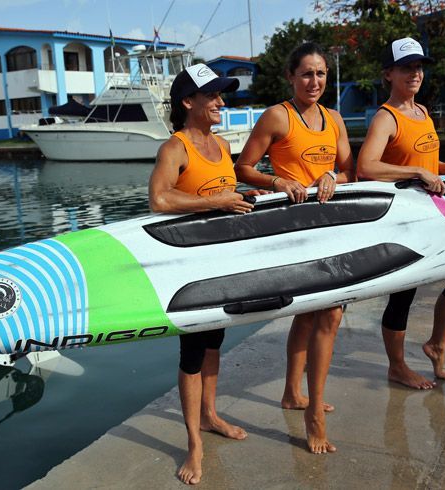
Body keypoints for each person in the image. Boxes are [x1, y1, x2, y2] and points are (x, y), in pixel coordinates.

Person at [235, 42, 354, 454]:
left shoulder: (334, 118)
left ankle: (293, 393)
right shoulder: (277, 117)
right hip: (295, 227)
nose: (315, 81)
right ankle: (314, 412)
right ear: (291, 77)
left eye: (320, 73)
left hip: (333, 224)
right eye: (306, 73)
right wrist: (277, 181)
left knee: (318, 314)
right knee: (325, 314)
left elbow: (347, 167)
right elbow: (244, 168)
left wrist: (332, 177)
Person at [149, 63, 264, 485]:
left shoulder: (219, 145)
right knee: (193, 351)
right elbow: (159, 200)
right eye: (213, 96)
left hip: (223, 259)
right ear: (188, 102)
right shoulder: (175, 148)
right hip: (189, 264)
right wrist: (215, 202)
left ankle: (211, 415)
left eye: (222, 94)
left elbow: (222, 193)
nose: (221, 102)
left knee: (215, 340)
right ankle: (194, 443)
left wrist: (241, 196)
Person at [356, 37, 445, 390]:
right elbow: (367, 166)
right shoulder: (387, 117)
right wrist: (416, 174)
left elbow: (424, 163)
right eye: (406, 67)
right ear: (388, 74)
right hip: (403, 217)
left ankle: (436, 344)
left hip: (434, 211)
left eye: (418, 67)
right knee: (403, 292)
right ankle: (397, 366)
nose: (414, 73)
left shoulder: (422, 112)